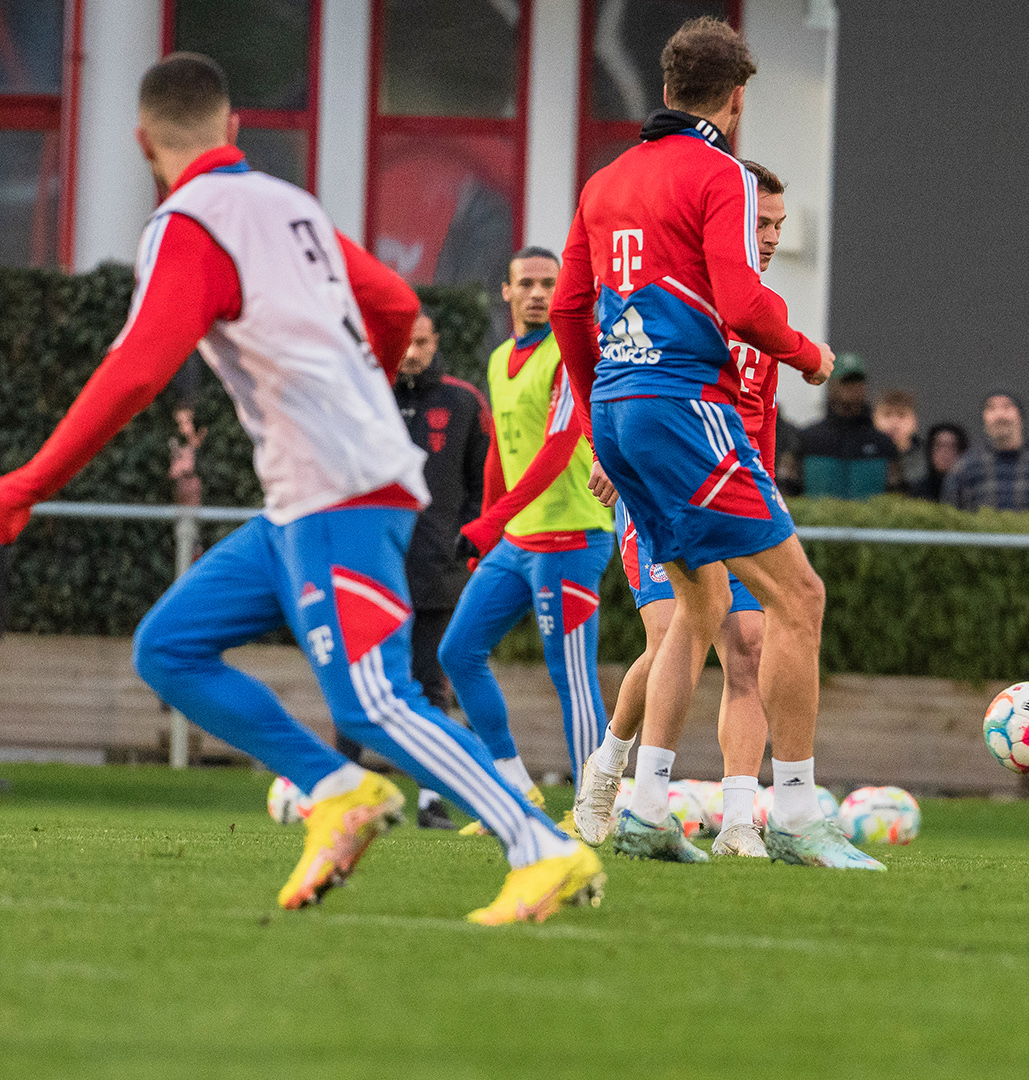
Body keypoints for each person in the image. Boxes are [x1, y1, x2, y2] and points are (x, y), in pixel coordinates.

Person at [0, 54, 599, 923]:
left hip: (338, 490)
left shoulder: (188, 224)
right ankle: (334, 789)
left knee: (375, 699)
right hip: (308, 496)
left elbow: (137, 369)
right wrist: (361, 393)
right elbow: (394, 304)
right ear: (234, 127)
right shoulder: (290, 206)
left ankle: (541, 846)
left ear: (142, 143)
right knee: (169, 646)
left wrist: (27, 482)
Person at [551, 16, 878, 869]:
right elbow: (740, 302)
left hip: (620, 412)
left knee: (696, 613)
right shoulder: (721, 174)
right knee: (798, 601)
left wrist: (597, 414)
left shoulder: (605, 181)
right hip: (679, 405)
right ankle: (797, 815)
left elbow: (565, 310)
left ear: (664, 90)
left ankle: (646, 804)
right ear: (737, 101)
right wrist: (810, 357)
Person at [574, 158, 792, 862]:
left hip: (729, 492)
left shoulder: (765, 320)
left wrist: (766, 494)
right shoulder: (666, 301)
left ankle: (737, 823)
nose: (769, 238)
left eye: (779, 227)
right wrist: (610, 455)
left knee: (751, 649)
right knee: (675, 633)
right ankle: (611, 770)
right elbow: (612, 376)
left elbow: (759, 425)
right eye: (760, 222)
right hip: (655, 496)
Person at [435, 248, 614, 837]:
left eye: (549, 284)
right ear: (506, 293)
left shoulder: (568, 353)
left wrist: (491, 524)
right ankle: (515, 790)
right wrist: (492, 523)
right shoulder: (497, 361)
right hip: (518, 539)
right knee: (457, 653)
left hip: (570, 535)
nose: (538, 293)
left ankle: (596, 808)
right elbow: (500, 454)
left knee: (571, 676)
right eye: (527, 284)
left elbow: (557, 449)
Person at [340, 311, 493, 830]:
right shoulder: (366, 395)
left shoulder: (463, 402)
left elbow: (483, 485)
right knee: (359, 675)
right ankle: (341, 789)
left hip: (436, 568)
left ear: (436, 343)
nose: (411, 353)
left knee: (430, 683)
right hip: (371, 566)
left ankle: (432, 799)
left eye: (422, 343)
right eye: (404, 343)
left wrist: (463, 541)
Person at [941, 392, 1029, 511]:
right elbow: (950, 516)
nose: (1000, 415)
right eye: (991, 408)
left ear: (1020, 415)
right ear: (984, 419)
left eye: (1007, 406)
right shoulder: (965, 466)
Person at [796, 354, 895, 498]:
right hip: (815, 521)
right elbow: (787, 493)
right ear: (831, 386)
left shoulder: (883, 444)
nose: (853, 387)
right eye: (846, 381)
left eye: (858, 381)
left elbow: (898, 497)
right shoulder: (808, 440)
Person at [875, 389, 926, 494]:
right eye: (887, 415)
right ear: (874, 420)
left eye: (901, 415)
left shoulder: (928, 457)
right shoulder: (866, 457)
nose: (894, 423)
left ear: (914, 422)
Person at [911, 422, 967, 501]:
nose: (945, 452)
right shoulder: (916, 491)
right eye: (939, 445)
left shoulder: (970, 489)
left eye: (952, 446)